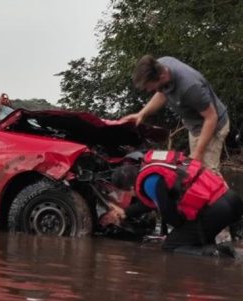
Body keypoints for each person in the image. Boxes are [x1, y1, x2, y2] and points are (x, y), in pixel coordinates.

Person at [101, 150, 242, 257]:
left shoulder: (150, 183)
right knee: (196, 237)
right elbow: (149, 204)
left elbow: (171, 217)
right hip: (232, 199)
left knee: (170, 246)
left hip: (217, 211)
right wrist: (125, 212)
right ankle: (216, 250)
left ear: (131, 188)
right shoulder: (157, 170)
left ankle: (220, 253)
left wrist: (180, 227)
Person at [121, 55, 230, 171]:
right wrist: (141, 114)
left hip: (212, 125)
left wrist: (198, 153)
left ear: (161, 77)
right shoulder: (161, 65)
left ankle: (221, 189)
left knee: (208, 173)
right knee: (197, 170)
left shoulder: (190, 87)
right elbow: (163, 93)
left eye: (148, 86)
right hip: (195, 125)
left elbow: (211, 117)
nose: (148, 90)